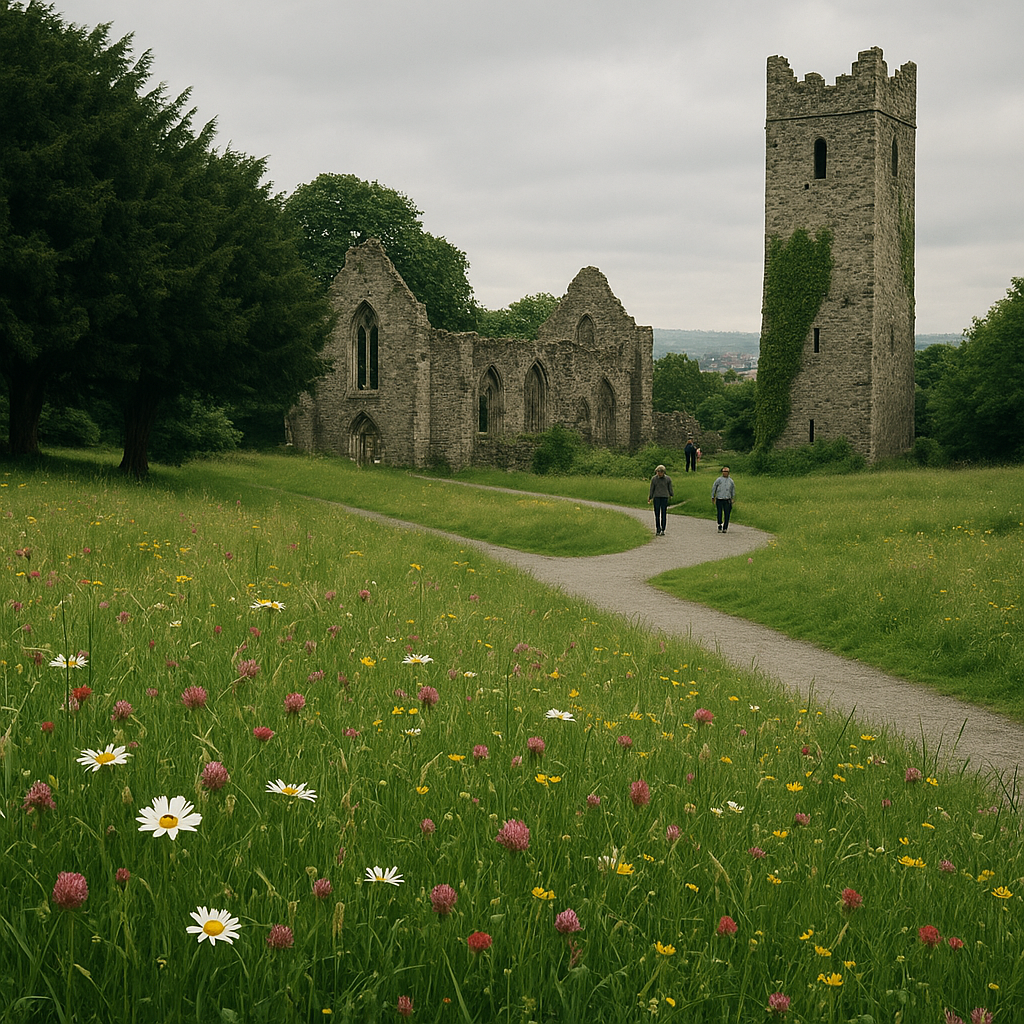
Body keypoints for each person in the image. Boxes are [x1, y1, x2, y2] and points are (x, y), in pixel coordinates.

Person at [647, 464, 673, 536]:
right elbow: (652, 489)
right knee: (657, 514)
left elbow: (670, 488)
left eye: (661, 472)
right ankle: (658, 529)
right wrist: (650, 497)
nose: (659, 473)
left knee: (664, 513)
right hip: (656, 497)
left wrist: (671, 494)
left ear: (663, 472)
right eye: (658, 472)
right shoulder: (654, 479)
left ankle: (663, 529)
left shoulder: (668, 479)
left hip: (664, 497)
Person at [711, 466, 735, 532]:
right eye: (724, 471)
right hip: (719, 498)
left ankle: (725, 527)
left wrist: (732, 498)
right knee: (719, 512)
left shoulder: (731, 481)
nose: (725, 473)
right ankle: (719, 524)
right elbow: (714, 488)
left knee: (727, 513)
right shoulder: (718, 480)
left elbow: (732, 490)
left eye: (726, 472)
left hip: (727, 499)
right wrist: (713, 496)